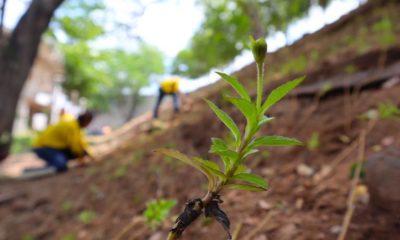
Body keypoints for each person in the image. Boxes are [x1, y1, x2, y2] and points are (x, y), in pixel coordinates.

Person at [29, 111, 95, 173]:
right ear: (86, 121)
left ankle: (53, 163)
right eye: (88, 123)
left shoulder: (75, 126)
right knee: (61, 166)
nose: (88, 125)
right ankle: (44, 169)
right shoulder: (71, 126)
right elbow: (75, 147)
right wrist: (81, 160)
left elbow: (81, 143)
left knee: (81, 152)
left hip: (55, 148)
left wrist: (91, 155)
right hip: (43, 147)